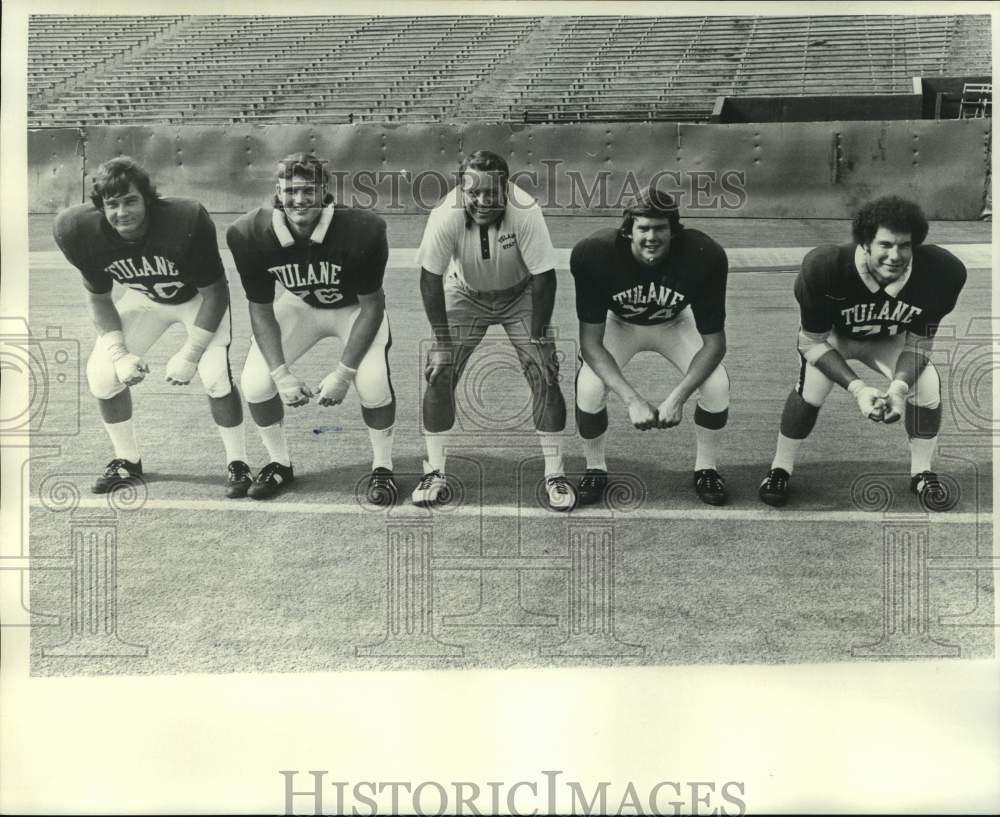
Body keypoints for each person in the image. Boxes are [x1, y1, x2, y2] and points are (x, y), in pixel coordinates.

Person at [53, 157, 249, 496]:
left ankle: (238, 462)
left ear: (148, 199)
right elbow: (99, 299)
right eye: (112, 205)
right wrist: (120, 353)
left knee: (214, 374)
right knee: (102, 375)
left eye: (130, 201)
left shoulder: (184, 220)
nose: (122, 212)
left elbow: (215, 293)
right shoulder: (78, 231)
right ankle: (126, 459)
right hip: (145, 299)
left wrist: (190, 354)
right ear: (101, 207)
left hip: (197, 300)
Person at [758, 195, 967, 511]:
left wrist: (897, 388)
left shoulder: (942, 271)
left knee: (926, 386)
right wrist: (858, 389)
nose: (895, 256)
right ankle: (780, 467)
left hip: (890, 337)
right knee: (810, 390)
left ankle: (922, 472)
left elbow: (918, 344)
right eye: (884, 245)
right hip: (833, 339)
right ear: (865, 244)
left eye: (904, 246)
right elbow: (811, 342)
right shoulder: (825, 266)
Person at [227, 153, 397, 504]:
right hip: (300, 305)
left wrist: (343, 373)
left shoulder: (362, 229)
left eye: (309, 190)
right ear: (278, 191)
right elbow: (260, 308)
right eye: (291, 190)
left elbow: (372, 306)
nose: (300, 199)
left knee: (373, 383)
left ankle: (383, 466)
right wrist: (281, 374)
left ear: (325, 191)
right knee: (257, 383)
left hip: (352, 309)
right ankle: (279, 462)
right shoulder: (249, 233)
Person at [411, 149, 573, 510]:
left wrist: (539, 337)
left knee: (544, 372)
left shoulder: (526, 210)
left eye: (492, 193)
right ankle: (434, 471)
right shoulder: (445, 213)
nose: (483, 201)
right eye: (474, 193)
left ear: (507, 188)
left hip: (520, 293)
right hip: (466, 292)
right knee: (439, 372)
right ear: (461, 190)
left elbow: (544, 277)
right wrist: (441, 342)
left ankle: (555, 473)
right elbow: (429, 277)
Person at [570, 185, 732, 506]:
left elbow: (715, 344)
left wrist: (677, 397)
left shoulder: (705, 255)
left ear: (675, 231)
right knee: (588, 388)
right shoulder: (594, 253)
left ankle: (706, 467)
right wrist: (632, 400)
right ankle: (595, 467)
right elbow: (590, 343)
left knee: (717, 386)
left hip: (674, 322)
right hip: (621, 324)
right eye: (642, 228)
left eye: (660, 228)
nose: (651, 237)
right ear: (627, 231)